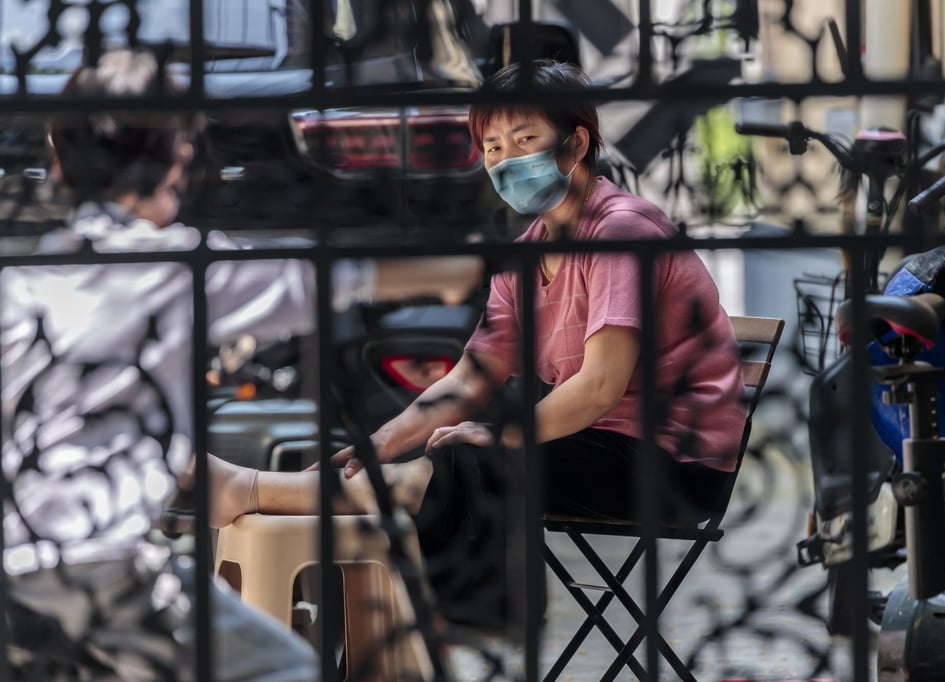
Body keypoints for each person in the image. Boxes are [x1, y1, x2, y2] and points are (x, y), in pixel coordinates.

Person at [1, 48, 481, 680]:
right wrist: (474, 266)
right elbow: (347, 275)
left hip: (16, 575)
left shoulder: (24, 281)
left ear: (60, 162)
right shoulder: (179, 265)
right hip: (100, 574)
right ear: (178, 157)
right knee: (284, 670)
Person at [319, 59, 747, 629]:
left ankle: (457, 628)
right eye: (492, 147)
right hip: (599, 445)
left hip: (675, 464)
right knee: (454, 455)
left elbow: (598, 387)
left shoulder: (621, 233)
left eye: (524, 139)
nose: (506, 159)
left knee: (468, 457)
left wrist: (499, 434)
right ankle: (431, 622)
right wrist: (379, 445)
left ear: (575, 144)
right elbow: (471, 377)